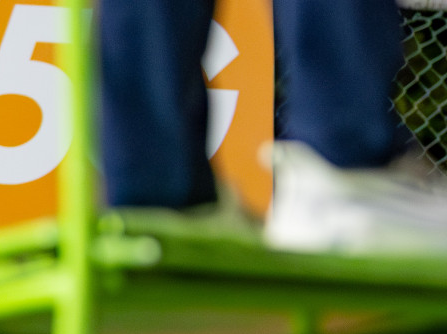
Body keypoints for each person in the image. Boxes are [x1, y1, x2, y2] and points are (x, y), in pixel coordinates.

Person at [100, 0, 447, 251]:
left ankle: (157, 201)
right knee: (341, 149)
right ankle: (347, 165)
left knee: (156, 191)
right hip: (345, 164)